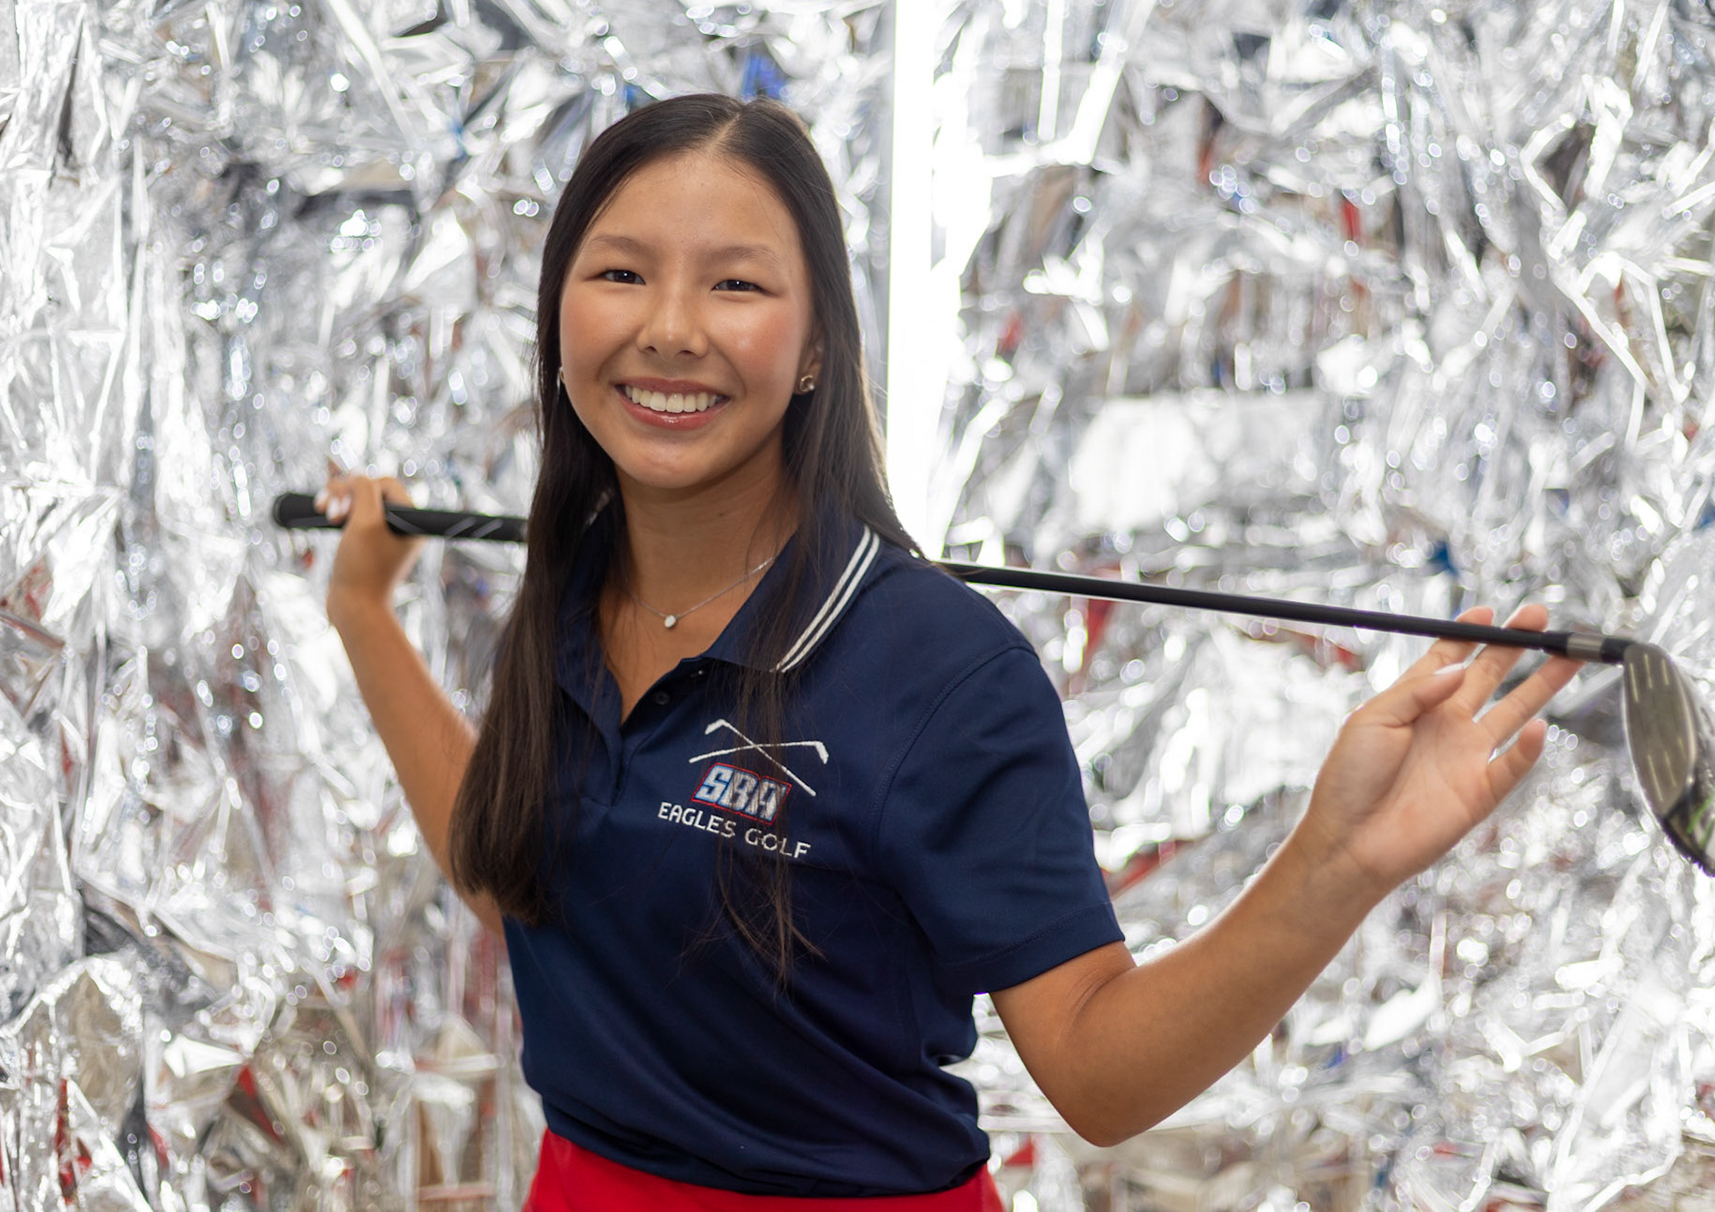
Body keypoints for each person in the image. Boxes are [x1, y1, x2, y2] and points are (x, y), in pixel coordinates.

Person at [315, 93, 1581, 1209]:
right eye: (622, 273)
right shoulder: (574, 582)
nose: (672, 328)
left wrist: (1336, 863)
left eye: (738, 284)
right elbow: (522, 872)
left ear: (817, 350)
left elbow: (1096, 1064)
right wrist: (365, 615)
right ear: (558, 314)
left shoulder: (941, 673)